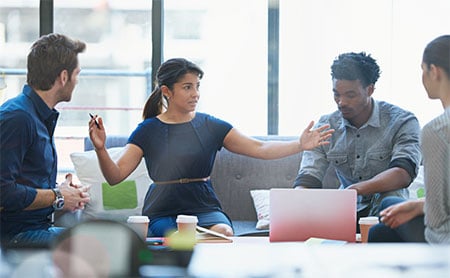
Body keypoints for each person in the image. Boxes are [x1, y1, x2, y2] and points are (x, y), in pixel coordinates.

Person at [88, 58, 334, 237]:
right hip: (163, 208)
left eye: (197, 86)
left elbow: (259, 148)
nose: (195, 93)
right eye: (187, 87)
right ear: (167, 92)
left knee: (224, 233)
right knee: (181, 241)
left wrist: (300, 145)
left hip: (203, 204)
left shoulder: (210, 125)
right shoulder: (148, 129)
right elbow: (115, 176)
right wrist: (101, 148)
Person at [293, 52, 422, 231]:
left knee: (391, 200)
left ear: (370, 89)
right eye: (336, 94)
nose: (341, 102)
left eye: (350, 95)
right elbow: (309, 176)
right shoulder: (325, 126)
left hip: (388, 207)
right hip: (345, 208)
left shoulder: (402, 121)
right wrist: (297, 203)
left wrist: (357, 190)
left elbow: (403, 172)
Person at [0, 33, 90, 247]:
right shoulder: (18, 118)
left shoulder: (37, 115)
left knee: (105, 241)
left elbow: (22, 181)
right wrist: (57, 195)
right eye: (77, 74)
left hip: (36, 228)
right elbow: (2, 191)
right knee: (99, 248)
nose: (77, 81)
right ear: (64, 77)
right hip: (14, 236)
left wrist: (62, 192)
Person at [368, 35, 450, 243]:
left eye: (423, 70)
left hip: (443, 242)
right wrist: (416, 205)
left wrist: (419, 206)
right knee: (386, 220)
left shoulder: (437, 131)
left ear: (435, 71)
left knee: (384, 219)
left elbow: (437, 217)